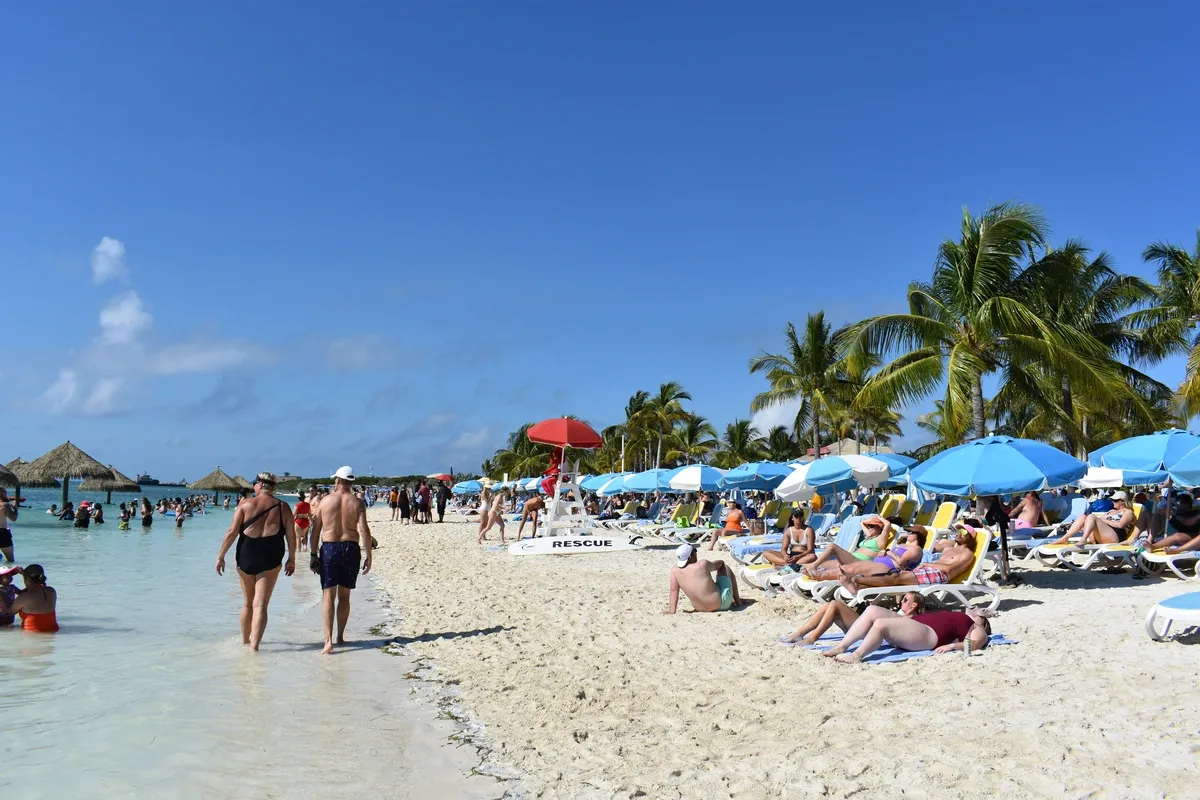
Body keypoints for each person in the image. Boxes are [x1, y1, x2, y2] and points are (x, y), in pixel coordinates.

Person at [215, 472, 295, 651]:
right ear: (273, 487)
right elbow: (291, 535)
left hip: (246, 556)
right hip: (271, 557)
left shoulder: (246, 505)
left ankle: (244, 642)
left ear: (259, 484)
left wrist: (220, 556)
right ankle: (254, 647)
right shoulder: (283, 507)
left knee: (247, 603)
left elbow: (232, 533)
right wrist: (292, 558)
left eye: (255, 483)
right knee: (260, 605)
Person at [309, 466, 372, 654]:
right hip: (351, 548)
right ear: (351, 482)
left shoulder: (324, 501)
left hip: (329, 548)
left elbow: (315, 530)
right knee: (345, 596)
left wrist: (313, 554)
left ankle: (328, 641)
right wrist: (369, 555)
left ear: (337, 481)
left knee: (328, 595)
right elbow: (364, 530)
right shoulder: (357, 503)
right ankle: (341, 636)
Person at [819, 604, 993, 664]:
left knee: (881, 624)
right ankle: (843, 646)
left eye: (979, 612)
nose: (976, 610)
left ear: (982, 621)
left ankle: (857, 655)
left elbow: (975, 644)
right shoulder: (963, 616)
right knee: (872, 610)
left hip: (928, 635)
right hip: (916, 624)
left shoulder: (977, 628)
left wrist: (953, 646)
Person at [838, 527, 979, 594]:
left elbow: (949, 569)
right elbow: (936, 546)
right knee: (894, 578)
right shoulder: (949, 548)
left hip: (940, 575)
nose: (959, 533)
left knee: (895, 577)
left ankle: (857, 580)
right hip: (927, 570)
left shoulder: (967, 554)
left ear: (971, 539)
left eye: (964, 533)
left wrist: (926, 563)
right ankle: (858, 588)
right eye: (959, 530)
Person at [783, 591, 926, 645]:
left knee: (834, 605)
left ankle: (811, 638)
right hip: (865, 627)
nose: (902, 601)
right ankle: (799, 634)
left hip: (867, 633)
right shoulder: (901, 613)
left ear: (914, 605)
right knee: (829, 605)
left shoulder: (912, 620)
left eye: (906, 600)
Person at [806, 526, 928, 582]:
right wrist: (885, 552)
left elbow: (901, 562)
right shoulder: (903, 545)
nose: (907, 533)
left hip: (888, 569)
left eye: (910, 532)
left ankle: (820, 576)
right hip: (877, 563)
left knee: (852, 569)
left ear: (918, 536)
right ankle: (819, 572)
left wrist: (888, 552)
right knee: (850, 568)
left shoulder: (916, 549)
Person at [801, 516, 893, 576]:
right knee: (814, 566)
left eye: (872, 526)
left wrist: (879, 517)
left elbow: (887, 524)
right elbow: (863, 523)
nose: (869, 528)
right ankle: (803, 567)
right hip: (851, 558)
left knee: (832, 546)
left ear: (879, 528)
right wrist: (867, 523)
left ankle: (813, 566)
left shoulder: (880, 539)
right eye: (869, 526)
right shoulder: (869, 537)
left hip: (860, 562)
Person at [665, 544, 743, 613]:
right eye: (695, 551)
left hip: (700, 609)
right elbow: (720, 564)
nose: (696, 553)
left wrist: (672, 610)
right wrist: (717, 562)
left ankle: (672, 610)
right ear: (691, 557)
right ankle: (738, 602)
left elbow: (674, 590)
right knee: (725, 567)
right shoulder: (702, 564)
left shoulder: (674, 570)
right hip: (721, 604)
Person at [1050, 490, 1135, 546]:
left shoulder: (1128, 512)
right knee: (1083, 516)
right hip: (1102, 536)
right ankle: (1065, 538)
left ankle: (1083, 539)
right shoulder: (1111, 511)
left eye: (1116, 500)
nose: (1113, 502)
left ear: (1123, 501)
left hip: (1116, 537)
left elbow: (1120, 525)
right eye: (1112, 500)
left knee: (1091, 516)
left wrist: (1103, 520)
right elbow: (1099, 522)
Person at [0, 564, 59, 632]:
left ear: (27, 580)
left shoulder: (23, 597)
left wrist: (2, 597)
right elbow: (38, 587)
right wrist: (25, 575)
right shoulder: (51, 591)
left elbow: (9, 612)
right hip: (53, 630)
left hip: (31, 633)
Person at [0, 487, 17, 562]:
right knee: (10, 560)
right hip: (2, 533)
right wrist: (15, 509)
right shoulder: (5, 505)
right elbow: (13, 518)